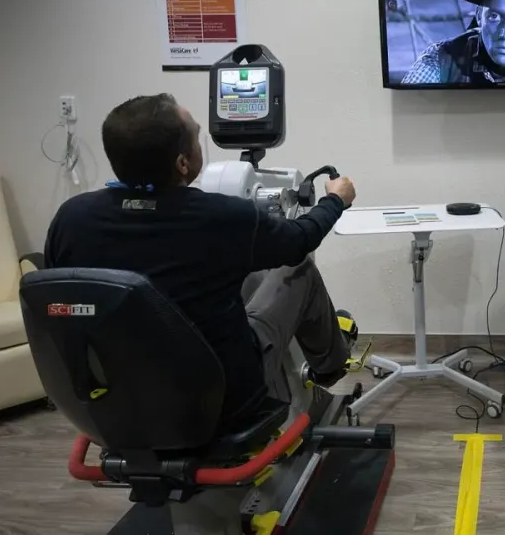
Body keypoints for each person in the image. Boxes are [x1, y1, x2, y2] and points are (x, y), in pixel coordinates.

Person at [44, 93, 359, 434]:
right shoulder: (221, 217)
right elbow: (300, 239)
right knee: (297, 269)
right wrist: (334, 200)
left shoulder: (72, 218)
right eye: (196, 135)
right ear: (182, 163)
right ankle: (330, 366)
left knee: (248, 277)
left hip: (116, 394)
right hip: (223, 398)